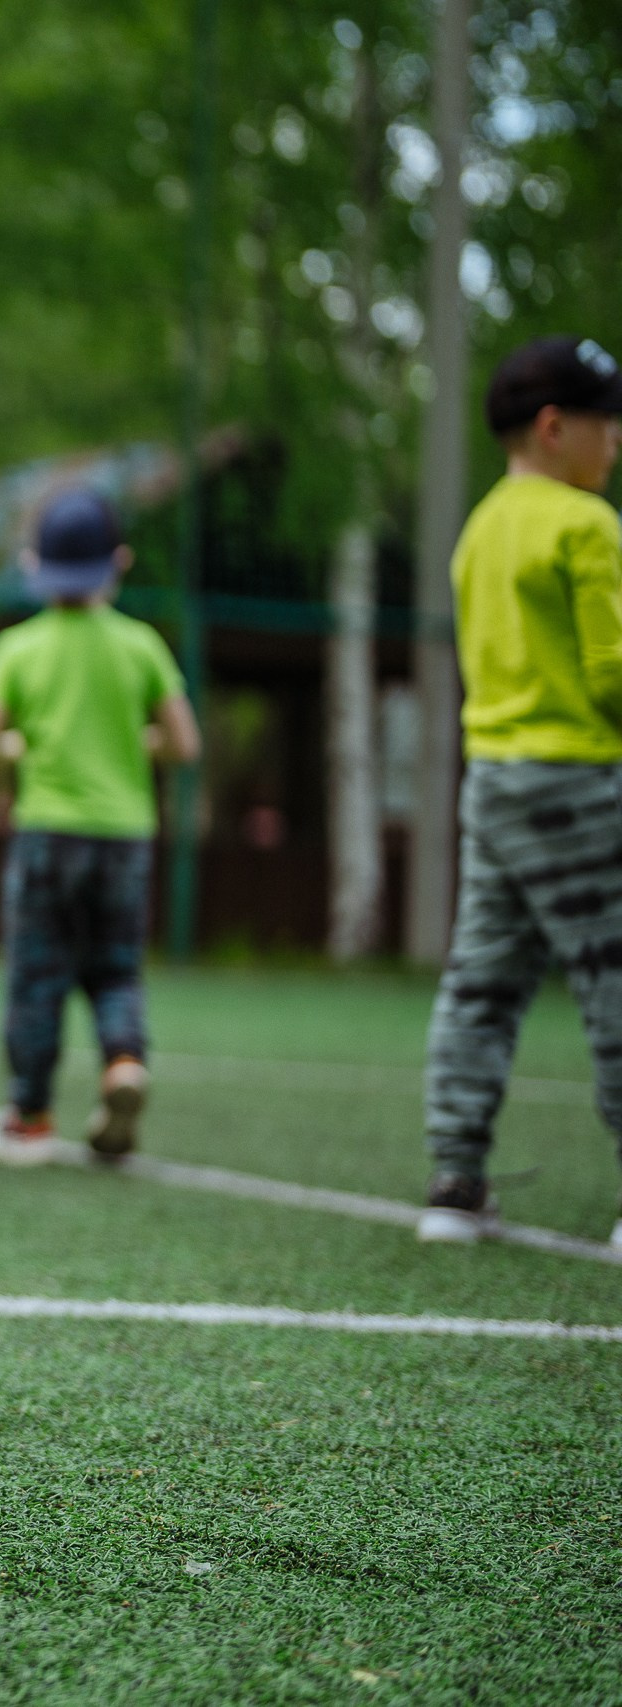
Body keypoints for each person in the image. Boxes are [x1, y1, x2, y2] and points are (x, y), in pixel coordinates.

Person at [416, 336, 622, 1245]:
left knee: (480, 984)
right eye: (608, 427)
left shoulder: (479, 532)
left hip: (491, 783)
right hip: (577, 779)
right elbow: (612, 674)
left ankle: (455, 1184)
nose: (615, 446)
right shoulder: (587, 525)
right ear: (554, 428)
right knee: (611, 980)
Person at [0, 488, 200, 1167]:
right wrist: (136, 741)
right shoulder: (141, 645)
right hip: (125, 834)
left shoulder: (18, 647)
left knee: (39, 977)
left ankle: (30, 1113)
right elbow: (185, 744)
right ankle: (123, 1062)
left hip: (48, 833)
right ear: (118, 561)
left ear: (35, 565)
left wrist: (16, 750)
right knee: (117, 969)